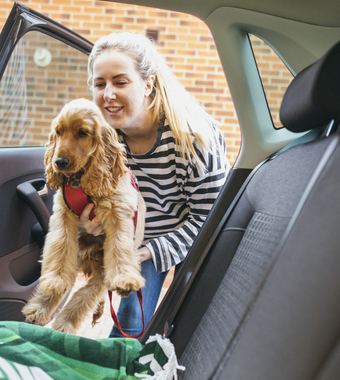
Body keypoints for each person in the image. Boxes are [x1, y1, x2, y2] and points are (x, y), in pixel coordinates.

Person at [81, 32, 231, 338]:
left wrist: (149, 252)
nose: (108, 94)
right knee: (131, 318)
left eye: (120, 82)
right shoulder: (104, 138)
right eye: (100, 84)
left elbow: (211, 219)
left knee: (189, 316)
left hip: (197, 233)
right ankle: (121, 374)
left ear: (147, 84)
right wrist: (92, 223)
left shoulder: (192, 137)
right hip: (142, 235)